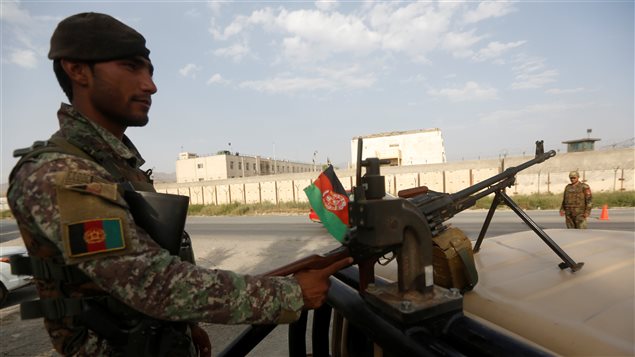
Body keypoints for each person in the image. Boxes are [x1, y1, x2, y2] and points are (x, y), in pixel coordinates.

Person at [7, 12, 351, 357]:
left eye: (150, 71)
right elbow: (149, 283)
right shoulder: (59, 173)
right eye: (131, 67)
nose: (150, 85)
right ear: (77, 70)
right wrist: (290, 294)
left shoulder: (114, 166)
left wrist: (185, 326)